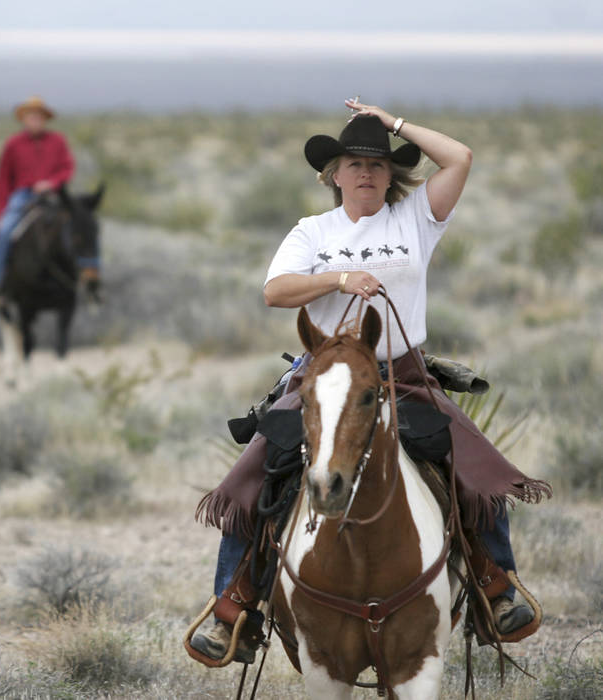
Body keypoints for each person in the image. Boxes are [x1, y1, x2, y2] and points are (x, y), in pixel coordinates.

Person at [190, 99, 547, 661]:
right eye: (354, 164)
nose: (366, 172)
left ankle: (494, 587)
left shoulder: (417, 218)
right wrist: (337, 278)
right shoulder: (312, 231)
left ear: (392, 175)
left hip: (401, 372)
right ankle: (233, 606)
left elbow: (460, 157)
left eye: (378, 164)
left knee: (475, 465)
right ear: (333, 175)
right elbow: (275, 290)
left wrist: (394, 123)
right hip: (325, 375)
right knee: (257, 471)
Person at [0, 96, 76, 302]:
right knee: (2, 233)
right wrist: (1, 211)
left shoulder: (58, 140)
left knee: (77, 229)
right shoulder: (13, 144)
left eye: (39, 117)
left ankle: (81, 280)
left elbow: (68, 167)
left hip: (53, 195)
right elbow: (3, 179)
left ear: (45, 119)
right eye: (31, 117)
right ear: (24, 120)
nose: (35, 121)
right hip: (23, 196)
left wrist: (52, 183)